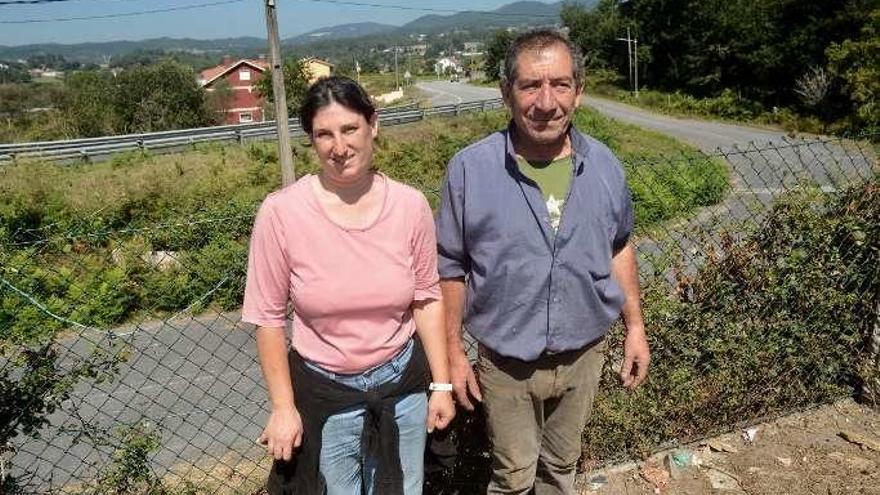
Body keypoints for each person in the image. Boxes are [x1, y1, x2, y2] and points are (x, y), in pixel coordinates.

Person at [436, 30, 651, 494]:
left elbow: (620, 246)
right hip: (506, 364)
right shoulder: (470, 170)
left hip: (584, 355)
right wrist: (452, 353)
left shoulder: (606, 166)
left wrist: (635, 326)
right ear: (506, 93)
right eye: (531, 85)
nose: (546, 101)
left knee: (561, 468)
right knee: (512, 476)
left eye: (560, 84)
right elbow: (450, 267)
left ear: (580, 90)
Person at [242, 75, 455, 495]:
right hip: (326, 394)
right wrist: (284, 408)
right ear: (311, 140)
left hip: (403, 390)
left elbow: (427, 300)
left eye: (349, 129)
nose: (338, 147)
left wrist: (442, 386)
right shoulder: (281, 213)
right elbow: (267, 320)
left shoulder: (410, 206)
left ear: (372, 125)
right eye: (324, 134)